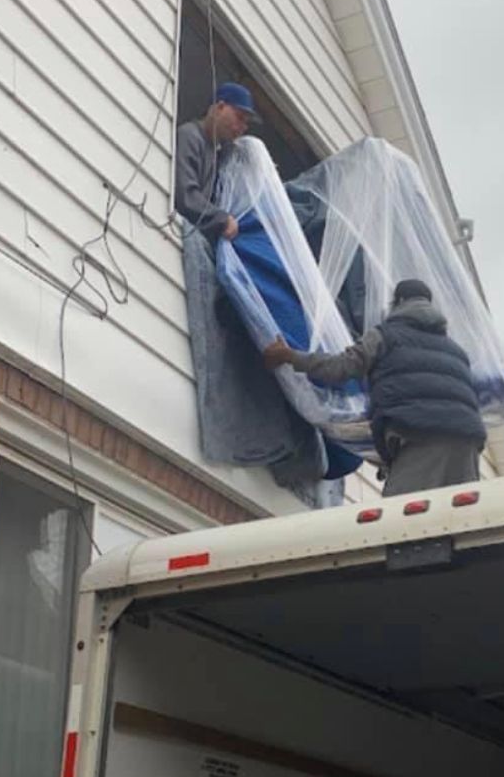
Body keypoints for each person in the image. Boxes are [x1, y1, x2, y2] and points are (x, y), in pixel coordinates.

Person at [262, 277, 487, 497]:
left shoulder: (385, 336)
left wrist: (290, 356)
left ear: (398, 302)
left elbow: (341, 367)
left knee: (400, 518)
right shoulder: (457, 351)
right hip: (467, 440)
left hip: (421, 435)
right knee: (457, 518)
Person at [174, 82, 262, 244]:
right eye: (239, 117)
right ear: (220, 107)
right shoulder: (190, 136)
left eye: (246, 123)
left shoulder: (220, 154)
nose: (243, 127)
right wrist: (222, 219)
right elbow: (185, 195)